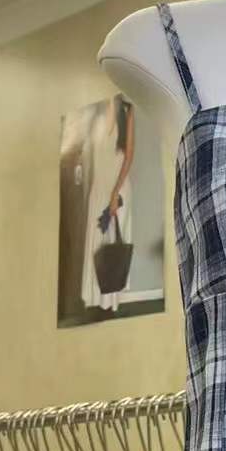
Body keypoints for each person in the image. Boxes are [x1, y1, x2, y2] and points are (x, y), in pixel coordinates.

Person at [80, 94, 135, 313]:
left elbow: (129, 156)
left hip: (117, 186)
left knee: (113, 245)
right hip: (99, 187)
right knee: (97, 244)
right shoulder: (94, 112)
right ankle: (96, 301)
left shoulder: (127, 111)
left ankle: (111, 302)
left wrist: (115, 192)